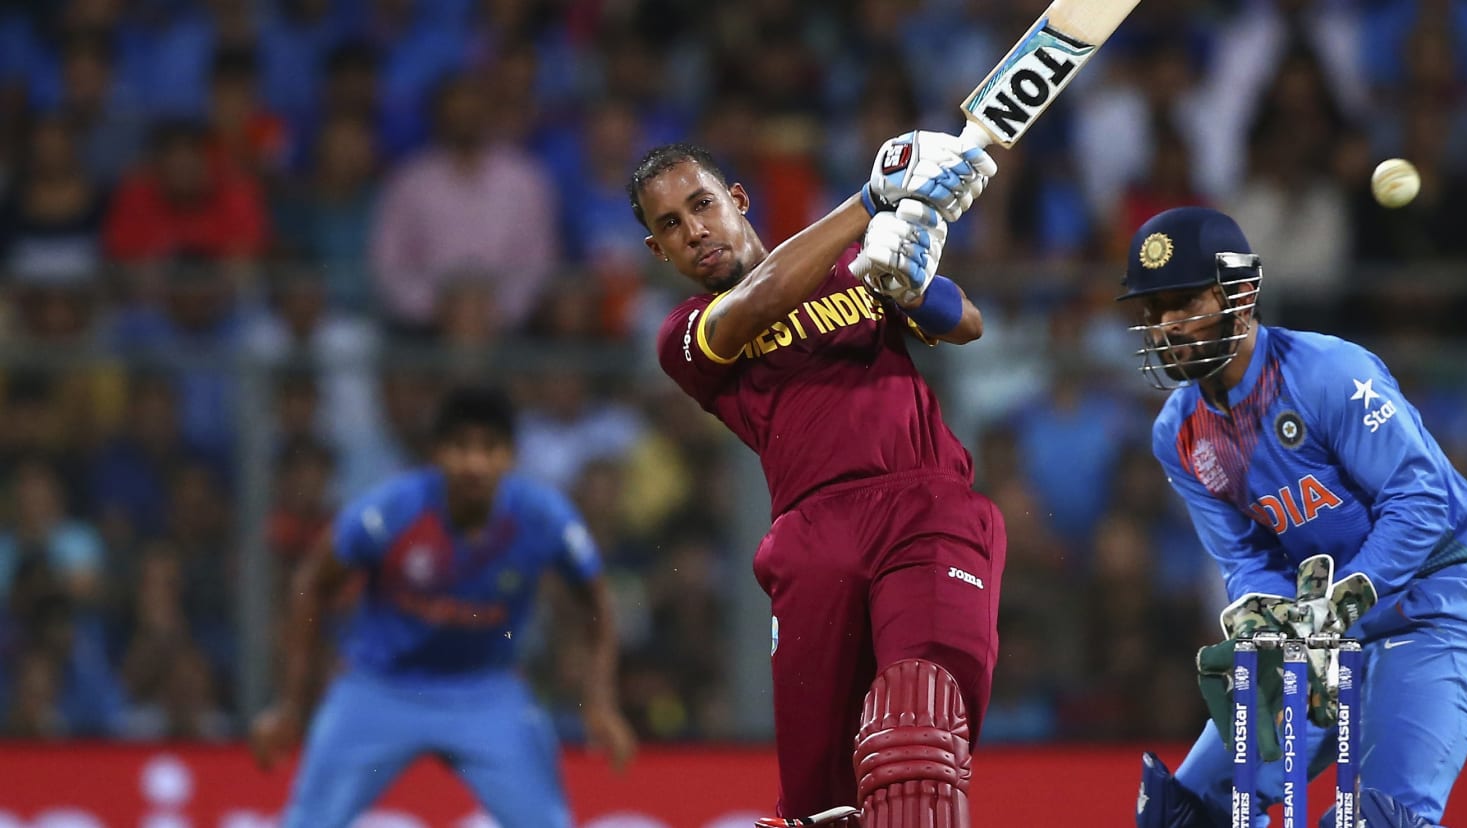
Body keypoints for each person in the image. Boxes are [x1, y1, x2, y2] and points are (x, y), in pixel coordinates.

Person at [632, 131, 1004, 827]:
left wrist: (913, 285)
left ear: (737, 200)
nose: (694, 231)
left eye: (703, 205)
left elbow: (969, 325)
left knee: (920, 731)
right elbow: (759, 300)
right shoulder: (685, 333)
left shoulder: (855, 267)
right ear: (657, 251)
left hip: (926, 510)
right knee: (819, 809)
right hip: (813, 539)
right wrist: (871, 201)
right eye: (671, 226)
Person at [1123, 207, 1467, 828]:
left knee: (1377, 817)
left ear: (1240, 295)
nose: (1168, 325)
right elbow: (1247, 559)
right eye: (1153, 310)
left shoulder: (1328, 373)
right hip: (1320, 627)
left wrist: (1337, 606)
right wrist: (1280, 628)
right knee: (1186, 812)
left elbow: (1419, 503)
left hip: (1439, 602)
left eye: (1185, 302)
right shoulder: (1178, 433)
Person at [249, 385, 635, 827]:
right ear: (436, 453)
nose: (474, 463)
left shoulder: (543, 518)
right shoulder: (390, 512)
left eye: (490, 449)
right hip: (379, 687)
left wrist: (601, 702)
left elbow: (596, 601)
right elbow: (312, 583)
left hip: (487, 692)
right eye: (460, 448)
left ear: (511, 456)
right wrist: (290, 704)